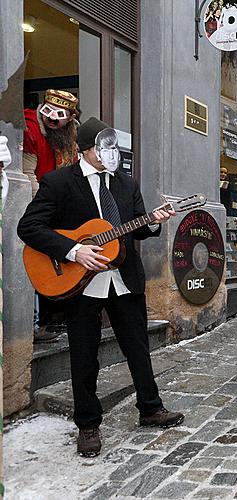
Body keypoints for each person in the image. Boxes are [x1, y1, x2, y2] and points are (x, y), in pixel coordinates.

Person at [17, 118, 184, 457]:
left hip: (123, 278)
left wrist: (153, 221)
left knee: (138, 347)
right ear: (86, 149)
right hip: (80, 283)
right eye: (105, 148)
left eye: (114, 148)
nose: (112, 154)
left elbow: (135, 226)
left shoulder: (125, 183)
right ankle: (88, 424)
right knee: (84, 356)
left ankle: (150, 407)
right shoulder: (59, 182)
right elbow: (29, 227)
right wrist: (74, 250)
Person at [24, 89, 81, 342]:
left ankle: (56, 315)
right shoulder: (30, 128)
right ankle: (36, 323)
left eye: (58, 116)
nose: (50, 120)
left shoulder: (72, 135)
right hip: (39, 204)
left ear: (69, 118)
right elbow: (27, 174)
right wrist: (42, 209)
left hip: (59, 207)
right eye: (47, 112)